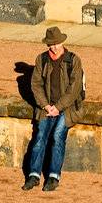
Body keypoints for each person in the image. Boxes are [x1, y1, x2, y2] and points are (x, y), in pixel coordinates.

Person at [23, 26, 86, 192]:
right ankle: (34, 175)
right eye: (51, 44)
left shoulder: (73, 60)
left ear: (62, 42)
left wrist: (58, 107)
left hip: (67, 108)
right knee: (40, 137)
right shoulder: (41, 59)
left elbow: (74, 88)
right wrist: (46, 106)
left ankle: (53, 176)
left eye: (57, 43)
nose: (54, 47)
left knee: (58, 136)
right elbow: (36, 85)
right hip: (47, 107)